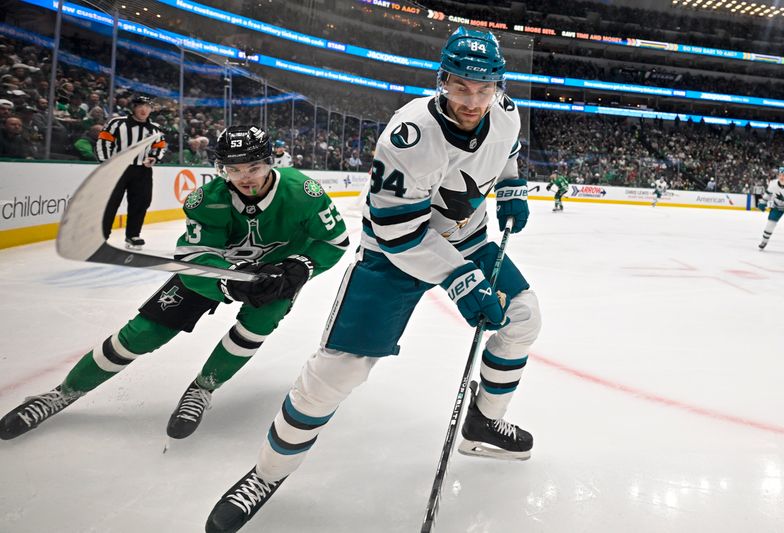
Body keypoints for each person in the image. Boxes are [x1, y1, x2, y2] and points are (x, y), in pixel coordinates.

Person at [205, 27, 541, 533]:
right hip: (392, 255)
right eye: (460, 87)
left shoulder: (507, 112)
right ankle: (266, 474)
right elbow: (398, 232)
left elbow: (507, 155)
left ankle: (482, 422)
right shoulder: (410, 135)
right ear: (442, 81)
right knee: (337, 372)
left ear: (498, 84)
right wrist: (459, 279)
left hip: (468, 239)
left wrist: (513, 187)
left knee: (523, 317)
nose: (472, 100)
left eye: (484, 88)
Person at [0, 125, 350, 441]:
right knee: (142, 333)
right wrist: (227, 284)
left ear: (270, 162)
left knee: (257, 325)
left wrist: (300, 267)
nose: (245, 178)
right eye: (234, 170)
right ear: (221, 169)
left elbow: (334, 243)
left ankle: (202, 388)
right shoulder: (206, 200)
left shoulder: (303, 191)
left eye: (254, 168)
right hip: (216, 273)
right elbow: (194, 262)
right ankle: (64, 392)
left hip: (275, 276)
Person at [96, 95, 167, 249]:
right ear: (133, 107)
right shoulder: (117, 123)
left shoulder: (154, 129)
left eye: (147, 106)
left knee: (141, 202)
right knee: (110, 203)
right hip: (118, 169)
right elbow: (104, 140)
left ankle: (133, 235)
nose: (144, 109)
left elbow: (160, 146)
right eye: (140, 106)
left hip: (142, 171)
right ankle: (101, 236)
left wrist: (154, 158)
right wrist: (107, 163)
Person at [757, 166, 784, 255]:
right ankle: (764, 241)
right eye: (780, 175)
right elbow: (767, 195)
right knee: (770, 224)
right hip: (777, 206)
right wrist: (763, 202)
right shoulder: (773, 183)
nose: (781, 177)